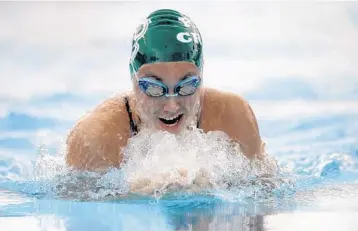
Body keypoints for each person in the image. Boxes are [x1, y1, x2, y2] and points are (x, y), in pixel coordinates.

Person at [65, 8, 266, 172]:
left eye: (187, 86)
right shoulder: (95, 137)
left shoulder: (233, 117)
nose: (171, 105)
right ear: (133, 79)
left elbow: (265, 193)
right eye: (154, 88)